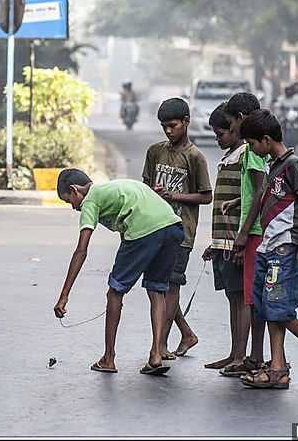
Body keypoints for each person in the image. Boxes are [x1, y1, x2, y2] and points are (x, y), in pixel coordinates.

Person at [53, 169, 184, 376]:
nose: (74, 208)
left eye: (70, 201)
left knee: (115, 292)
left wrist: (63, 296)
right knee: (157, 290)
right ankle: (155, 355)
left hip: (145, 231)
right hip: (173, 227)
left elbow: (81, 251)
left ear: (75, 190)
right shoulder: (114, 187)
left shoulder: (90, 200)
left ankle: (108, 358)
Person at [237, 109, 298, 389]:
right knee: (268, 307)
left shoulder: (293, 164)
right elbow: (264, 201)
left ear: (266, 140)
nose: (253, 149)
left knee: (279, 305)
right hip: (267, 247)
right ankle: (278, 368)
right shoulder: (272, 165)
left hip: (286, 248)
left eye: (253, 144)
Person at [141, 97, 211, 360]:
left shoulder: (195, 157)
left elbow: (206, 196)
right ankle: (185, 334)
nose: (168, 131)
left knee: (170, 286)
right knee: (159, 287)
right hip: (153, 229)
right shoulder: (155, 151)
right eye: (163, 127)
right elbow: (145, 186)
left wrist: (174, 196)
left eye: (172, 125)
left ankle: (159, 345)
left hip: (180, 232)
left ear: (186, 122)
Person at [218, 91, 269, 376]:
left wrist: (244, 232)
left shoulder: (253, 150)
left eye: (231, 124)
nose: (234, 131)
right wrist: (239, 201)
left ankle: (256, 357)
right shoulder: (253, 148)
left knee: (253, 297)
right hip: (254, 229)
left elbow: (261, 190)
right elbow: (255, 191)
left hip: (256, 232)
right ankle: (253, 356)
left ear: (240, 119)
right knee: (252, 296)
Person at [200, 103, 247, 374]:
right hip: (223, 243)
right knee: (232, 296)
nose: (217, 140)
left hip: (236, 243)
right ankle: (234, 353)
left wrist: (238, 241)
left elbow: (250, 199)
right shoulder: (230, 155)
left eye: (221, 134)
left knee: (240, 298)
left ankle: (241, 356)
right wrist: (215, 243)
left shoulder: (244, 155)